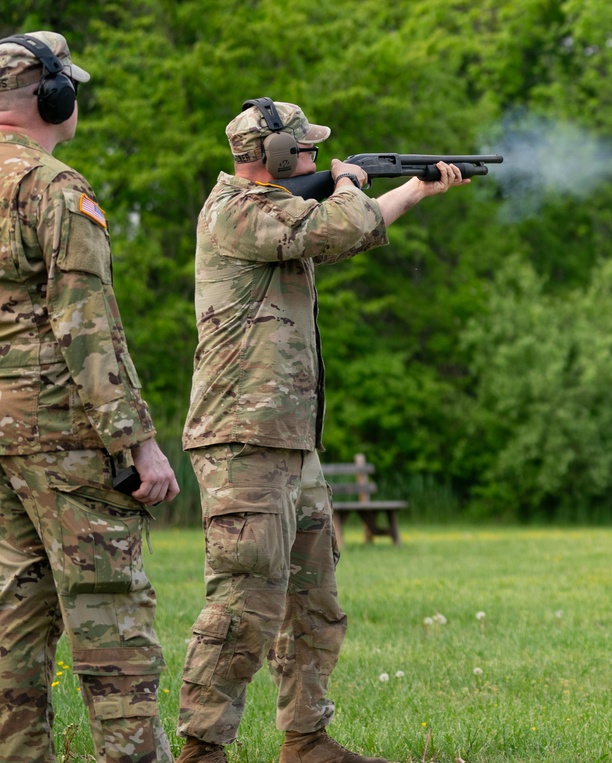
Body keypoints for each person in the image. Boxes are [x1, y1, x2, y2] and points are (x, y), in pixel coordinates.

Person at [176, 99, 470, 763]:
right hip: (244, 437)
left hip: (289, 437)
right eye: (305, 151)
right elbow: (339, 223)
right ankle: (202, 746)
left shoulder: (286, 212)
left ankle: (306, 737)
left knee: (314, 597)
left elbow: (347, 228)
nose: (314, 158)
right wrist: (347, 182)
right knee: (243, 602)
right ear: (275, 157)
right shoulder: (240, 211)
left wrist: (414, 189)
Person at [0, 31, 181, 763]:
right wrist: (136, 441)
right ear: (53, 96)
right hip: (61, 436)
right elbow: (87, 324)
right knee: (111, 616)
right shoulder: (53, 187)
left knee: (12, 618)